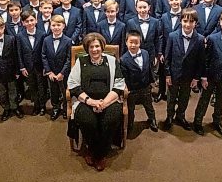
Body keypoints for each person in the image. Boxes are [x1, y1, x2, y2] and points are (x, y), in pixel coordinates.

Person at [68, 33, 125, 171]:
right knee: (88, 121)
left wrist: (104, 103)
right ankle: (92, 150)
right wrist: (91, 102)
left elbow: (119, 84)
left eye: (97, 46)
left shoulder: (111, 61)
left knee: (109, 120)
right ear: (87, 49)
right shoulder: (81, 62)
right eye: (91, 47)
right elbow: (73, 84)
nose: (95, 50)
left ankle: (100, 154)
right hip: (85, 101)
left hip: (110, 100)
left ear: (102, 47)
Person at [164, 8, 205, 131]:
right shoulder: (172, 36)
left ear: (195, 23)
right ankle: (169, 116)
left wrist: (196, 78)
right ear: (180, 21)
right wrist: (167, 75)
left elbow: (200, 61)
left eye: (191, 22)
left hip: (189, 76)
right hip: (174, 74)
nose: (188, 24)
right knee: (171, 97)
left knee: (184, 98)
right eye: (185, 21)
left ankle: (180, 116)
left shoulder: (200, 39)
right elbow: (167, 57)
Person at [121, 30, 158, 132]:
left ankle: (152, 119)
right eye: (131, 42)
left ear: (140, 43)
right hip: (132, 89)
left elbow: (149, 69)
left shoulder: (145, 53)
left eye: (136, 43)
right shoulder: (124, 59)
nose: (133, 45)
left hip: (145, 86)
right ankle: (130, 123)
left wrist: (152, 80)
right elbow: (125, 76)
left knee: (149, 105)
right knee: (131, 108)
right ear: (126, 42)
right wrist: (126, 88)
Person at [17, 10, 47, 115]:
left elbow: (44, 52)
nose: (30, 23)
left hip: (40, 66)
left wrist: (45, 67)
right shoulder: (20, 36)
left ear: (36, 20)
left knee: (41, 86)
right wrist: (22, 67)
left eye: (31, 20)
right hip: (28, 67)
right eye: (27, 21)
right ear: (23, 23)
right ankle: (36, 106)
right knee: (32, 87)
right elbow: (19, 53)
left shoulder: (42, 34)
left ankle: (43, 106)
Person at [42, 15, 72, 120]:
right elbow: (44, 56)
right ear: (50, 26)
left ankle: (65, 108)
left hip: (63, 73)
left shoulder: (68, 41)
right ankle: (55, 108)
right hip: (51, 72)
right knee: (53, 91)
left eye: (59, 25)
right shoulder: (46, 40)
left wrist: (62, 73)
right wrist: (49, 72)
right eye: (53, 25)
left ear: (63, 26)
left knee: (64, 91)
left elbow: (69, 59)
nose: (56, 27)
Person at [158, 0, 183, 102]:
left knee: (177, 73)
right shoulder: (164, 17)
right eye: (172, 0)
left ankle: (175, 94)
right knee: (163, 72)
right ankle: (161, 92)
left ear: (181, 0)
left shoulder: (185, 16)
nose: (174, 2)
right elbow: (161, 36)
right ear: (168, 1)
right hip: (165, 50)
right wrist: (160, 52)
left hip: (179, 50)